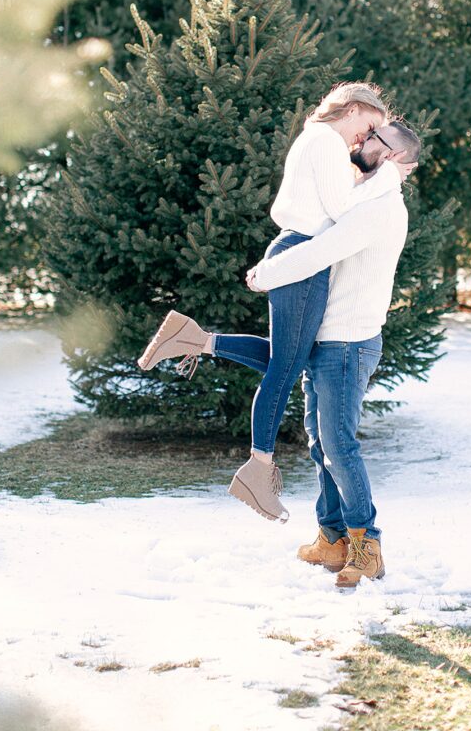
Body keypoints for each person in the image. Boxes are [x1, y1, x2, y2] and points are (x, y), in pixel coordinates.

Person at [138, 83, 411, 519]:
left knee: (294, 362)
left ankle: (197, 340)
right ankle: (257, 469)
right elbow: (344, 212)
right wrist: (389, 174)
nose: (367, 138)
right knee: (287, 368)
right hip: (303, 255)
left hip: (299, 253)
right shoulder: (325, 140)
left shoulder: (317, 141)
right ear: (354, 108)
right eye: (370, 126)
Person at [201, 120, 421, 588]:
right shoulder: (362, 196)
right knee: (321, 446)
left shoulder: (382, 205)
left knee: (339, 445)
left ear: (396, 158)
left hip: (348, 343)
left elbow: (322, 251)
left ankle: (368, 546)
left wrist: (267, 273)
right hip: (329, 339)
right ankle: (332, 540)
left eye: (376, 139)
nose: (363, 140)